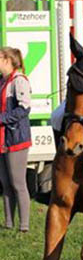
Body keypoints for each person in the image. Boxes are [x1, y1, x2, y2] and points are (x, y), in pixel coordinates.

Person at [0, 47, 32, 232]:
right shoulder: (3, 81)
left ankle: (24, 226)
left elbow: (24, 109)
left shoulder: (19, 81)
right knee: (5, 182)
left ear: (7, 60)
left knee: (17, 182)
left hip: (16, 138)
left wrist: (2, 118)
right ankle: (9, 223)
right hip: (4, 138)